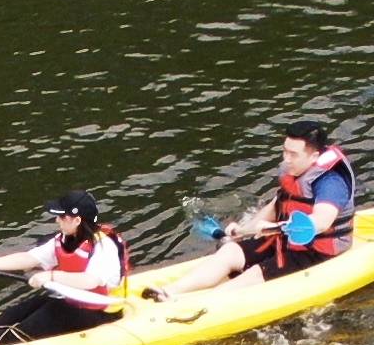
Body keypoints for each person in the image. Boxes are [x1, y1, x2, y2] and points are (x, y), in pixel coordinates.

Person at [147, 122, 357, 299]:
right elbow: (277, 205)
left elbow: (322, 221)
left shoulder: (330, 182)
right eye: (285, 151)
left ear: (314, 157)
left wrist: (279, 228)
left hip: (314, 252)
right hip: (285, 239)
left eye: (293, 154)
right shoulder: (296, 171)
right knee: (229, 251)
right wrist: (244, 230)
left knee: (254, 274)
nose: (286, 159)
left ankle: (201, 305)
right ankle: (169, 292)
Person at [0, 193, 129, 345]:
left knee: (54, 312)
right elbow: (29, 258)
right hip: (75, 303)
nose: (57, 221)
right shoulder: (64, 239)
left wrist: (51, 276)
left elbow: (92, 280)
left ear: (77, 220)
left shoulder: (103, 246)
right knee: (33, 304)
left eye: (62, 217)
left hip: (104, 311)